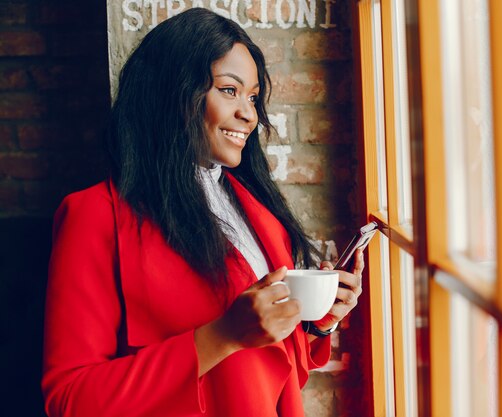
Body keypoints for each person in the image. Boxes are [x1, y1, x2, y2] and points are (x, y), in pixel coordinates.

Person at [41, 8, 363, 417]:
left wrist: (317, 324)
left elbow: (274, 372)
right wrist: (221, 336)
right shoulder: (94, 215)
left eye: (252, 96)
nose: (249, 113)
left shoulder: (258, 212)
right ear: (172, 92)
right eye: (229, 90)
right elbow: (68, 399)